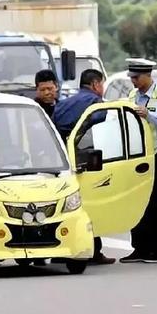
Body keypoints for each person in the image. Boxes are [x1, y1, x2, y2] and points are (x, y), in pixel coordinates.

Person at [52, 69, 116, 265]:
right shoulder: (95, 104)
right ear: (96, 84)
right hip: (85, 159)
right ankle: (94, 251)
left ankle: (59, 250)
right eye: (102, 84)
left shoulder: (63, 103)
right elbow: (100, 123)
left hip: (60, 161)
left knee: (64, 206)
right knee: (90, 206)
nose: (102, 89)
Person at [119, 58, 157, 264]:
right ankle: (140, 247)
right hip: (137, 158)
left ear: (147, 75)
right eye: (131, 77)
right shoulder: (133, 95)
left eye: (136, 77)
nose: (133, 81)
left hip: (156, 156)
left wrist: (149, 115)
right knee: (137, 202)